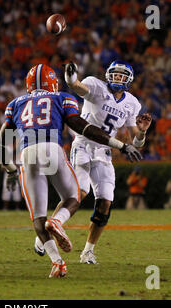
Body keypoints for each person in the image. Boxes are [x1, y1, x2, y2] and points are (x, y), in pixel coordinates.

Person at [0, 64, 142, 278]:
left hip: (27, 154)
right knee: (74, 196)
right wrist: (120, 145)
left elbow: (0, 144)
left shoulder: (15, 103)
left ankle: (58, 261)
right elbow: (81, 125)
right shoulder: (62, 97)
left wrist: (10, 170)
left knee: (38, 216)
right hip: (60, 148)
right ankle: (56, 223)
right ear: (53, 82)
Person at [64, 60, 152, 264]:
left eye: (122, 76)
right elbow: (77, 86)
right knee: (79, 193)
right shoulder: (96, 86)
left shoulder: (132, 102)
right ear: (108, 74)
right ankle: (53, 226)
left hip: (104, 152)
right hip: (84, 145)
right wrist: (70, 77)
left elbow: (136, 142)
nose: (117, 78)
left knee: (105, 202)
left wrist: (143, 131)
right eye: (115, 74)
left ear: (128, 80)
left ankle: (87, 251)